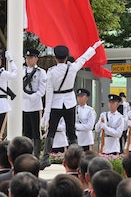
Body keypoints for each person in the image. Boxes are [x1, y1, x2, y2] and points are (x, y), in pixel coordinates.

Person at [40, 41, 103, 170]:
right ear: (67, 57)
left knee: (51, 131)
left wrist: (45, 116)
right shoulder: (72, 68)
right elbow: (83, 58)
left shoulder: (51, 72)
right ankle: (77, 158)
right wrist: (94, 47)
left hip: (56, 103)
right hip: (69, 102)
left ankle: (45, 158)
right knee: (71, 132)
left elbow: (49, 94)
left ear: (55, 58)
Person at [22, 48, 47, 158]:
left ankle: (36, 155)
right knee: (26, 132)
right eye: (27, 58)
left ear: (36, 59)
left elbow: (42, 90)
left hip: (35, 105)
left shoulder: (41, 72)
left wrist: (31, 97)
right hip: (24, 105)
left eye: (31, 58)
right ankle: (26, 154)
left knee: (36, 132)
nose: (28, 60)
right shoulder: (22, 70)